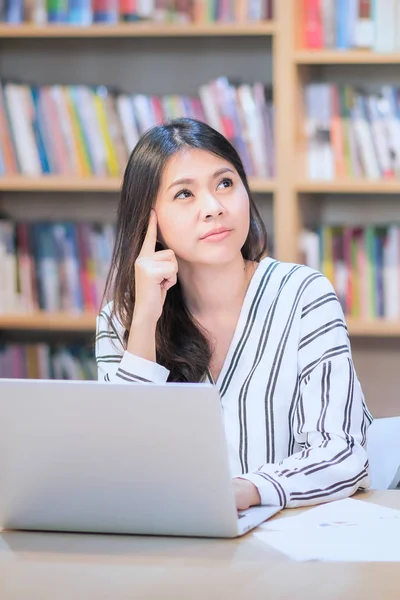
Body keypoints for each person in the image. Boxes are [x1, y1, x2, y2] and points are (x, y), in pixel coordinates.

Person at [96, 117, 372, 511]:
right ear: (149, 220)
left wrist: (249, 490)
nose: (213, 208)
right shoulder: (119, 321)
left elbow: (342, 453)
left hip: (286, 549)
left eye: (225, 183)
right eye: (184, 194)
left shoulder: (303, 296)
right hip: (168, 551)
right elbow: (113, 468)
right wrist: (143, 324)